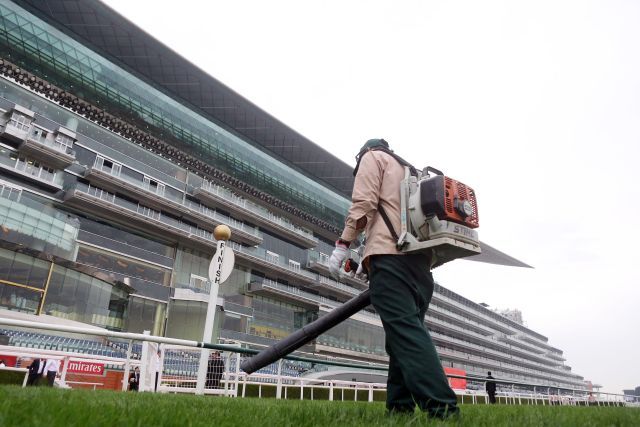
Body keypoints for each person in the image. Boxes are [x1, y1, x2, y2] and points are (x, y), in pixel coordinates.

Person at [329, 139, 459, 419]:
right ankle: (399, 409)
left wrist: (343, 244)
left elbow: (363, 204)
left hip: (391, 262)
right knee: (402, 338)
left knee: (408, 336)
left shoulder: (372, 157)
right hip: (421, 266)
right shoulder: (409, 170)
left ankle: (443, 410)